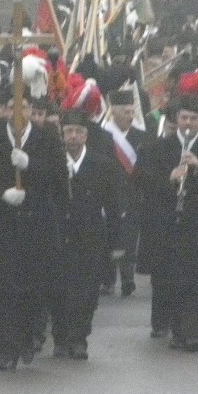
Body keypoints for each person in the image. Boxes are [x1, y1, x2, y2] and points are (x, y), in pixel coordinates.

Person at [0, 88, 69, 371]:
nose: (17, 112)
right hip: (1, 225)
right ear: (5, 110)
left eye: (23, 107)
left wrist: (30, 165)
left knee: (33, 287)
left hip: (36, 225)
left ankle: (27, 339)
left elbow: (59, 177)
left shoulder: (46, 136)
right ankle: (6, 349)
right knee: (2, 289)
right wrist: (1, 193)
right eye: (12, 107)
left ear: (30, 109)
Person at [136, 84, 198, 352]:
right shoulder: (159, 146)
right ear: (176, 121)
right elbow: (143, 180)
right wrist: (170, 178)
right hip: (168, 226)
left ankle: (195, 331)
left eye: (194, 119)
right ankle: (178, 330)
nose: (188, 124)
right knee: (173, 280)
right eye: (184, 118)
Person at [51, 109, 126, 360]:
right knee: (59, 289)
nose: (73, 137)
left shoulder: (100, 164)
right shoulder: (54, 162)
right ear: (62, 135)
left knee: (86, 291)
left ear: (86, 135)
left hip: (90, 237)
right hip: (59, 236)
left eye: (78, 132)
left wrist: (117, 242)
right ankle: (60, 338)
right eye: (68, 132)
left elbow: (113, 205)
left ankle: (79, 338)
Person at [101, 89, 146, 297]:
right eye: (126, 111)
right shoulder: (103, 136)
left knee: (130, 238)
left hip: (133, 193)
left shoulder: (141, 137)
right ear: (115, 112)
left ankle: (128, 279)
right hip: (110, 193)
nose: (130, 116)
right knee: (109, 236)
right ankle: (108, 280)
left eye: (132, 111)